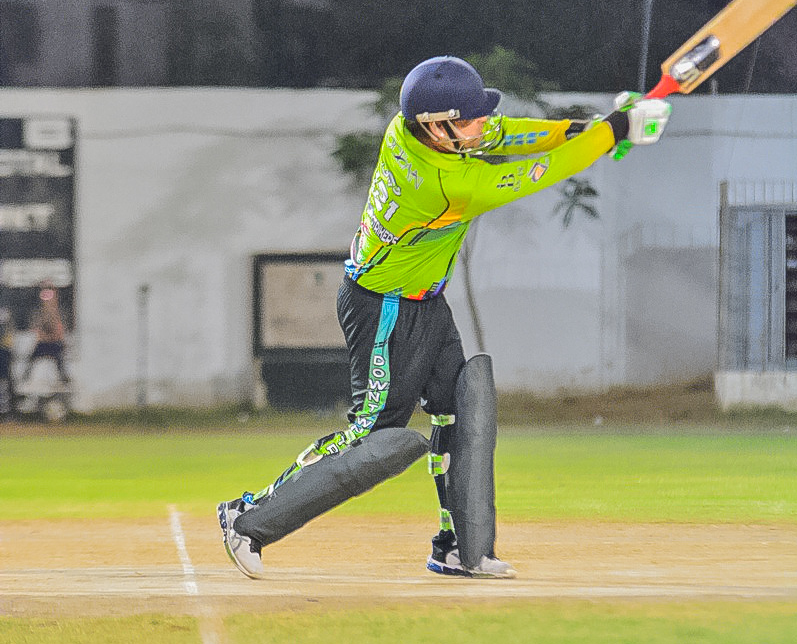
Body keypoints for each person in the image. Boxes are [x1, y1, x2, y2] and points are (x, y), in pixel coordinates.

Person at [218, 55, 671, 580]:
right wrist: (615, 131)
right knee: (372, 436)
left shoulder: (409, 128)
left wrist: (588, 128)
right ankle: (247, 518)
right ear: (438, 126)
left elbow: (509, 133)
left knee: (460, 408)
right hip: (384, 308)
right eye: (471, 118)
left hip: (425, 301)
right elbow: (542, 172)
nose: (482, 124)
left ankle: (458, 547)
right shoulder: (446, 184)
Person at [22, 281, 68, 384]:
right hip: (45, 341)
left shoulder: (56, 309)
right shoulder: (42, 310)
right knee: (32, 360)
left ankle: (64, 378)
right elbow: (38, 326)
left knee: (59, 362)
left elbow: (58, 327)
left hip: (54, 341)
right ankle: (25, 377)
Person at [0, 308, 15, 419]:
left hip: (3, 353)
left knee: (4, 382)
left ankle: (6, 411)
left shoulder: (4, 313)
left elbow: (8, 341)